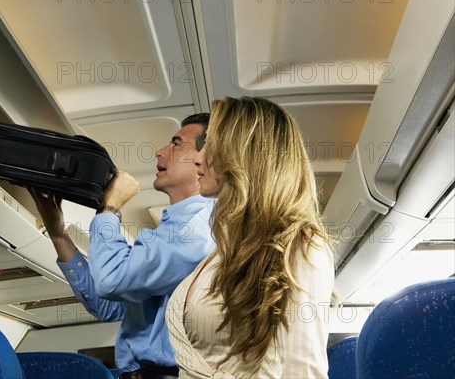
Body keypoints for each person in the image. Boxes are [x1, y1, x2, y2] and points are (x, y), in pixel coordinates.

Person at [29, 113, 215, 378]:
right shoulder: (172, 230)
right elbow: (109, 304)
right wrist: (58, 233)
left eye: (175, 144)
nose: (161, 152)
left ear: (205, 157)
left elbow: (112, 280)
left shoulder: (197, 229)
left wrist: (110, 207)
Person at [165, 97, 335, 378]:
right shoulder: (224, 250)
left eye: (209, 145)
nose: (197, 156)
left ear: (243, 151)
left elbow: (302, 371)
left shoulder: (301, 245)